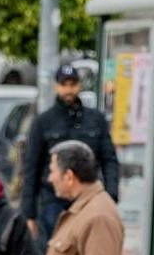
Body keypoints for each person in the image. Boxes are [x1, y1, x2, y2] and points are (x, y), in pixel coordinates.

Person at [18, 63, 118, 238]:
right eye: (64, 85)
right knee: (55, 250)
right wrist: (29, 213)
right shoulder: (43, 122)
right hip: (53, 197)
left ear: (79, 85)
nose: (68, 90)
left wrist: (111, 196)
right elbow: (31, 166)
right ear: (57, 86)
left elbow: (109, 159)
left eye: (72, 84)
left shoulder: (95, 119)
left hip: (87, 197)